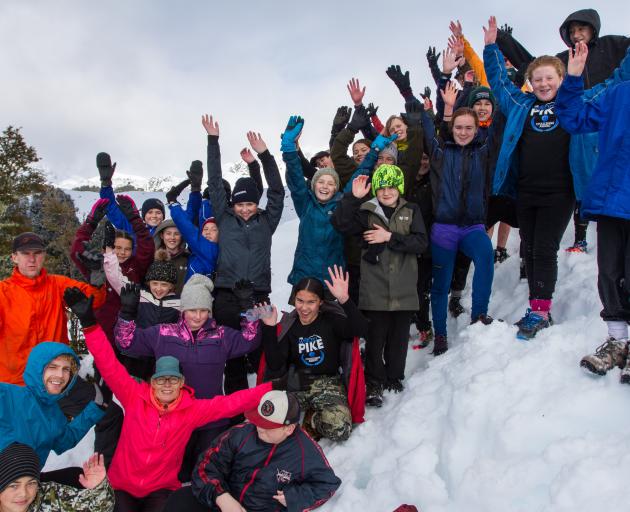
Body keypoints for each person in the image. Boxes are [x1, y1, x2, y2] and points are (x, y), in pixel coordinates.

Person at [63, 287, 289, 512]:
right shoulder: (134, 395)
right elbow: (109, 361)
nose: (167, 385)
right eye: (161, 380)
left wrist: (273, 386)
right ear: (151, 381)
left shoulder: (190, 408)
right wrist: (94, 322)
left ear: (182, 383)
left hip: (162, 487)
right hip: (123, 486)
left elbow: (232, 403)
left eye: (173, 380)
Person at [484, 16, 590, 339]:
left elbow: (583, 95)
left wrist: (573, 77)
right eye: (538, 79)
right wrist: (491, 47)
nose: (544, 84)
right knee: (529, 248)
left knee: (544, 248)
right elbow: (500, 83)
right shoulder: (521, 104)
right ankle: (536, 305)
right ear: (530, 81)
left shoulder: (570, 104)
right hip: (526, 192)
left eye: (549, 78)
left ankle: (541, 312)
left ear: (560, 79)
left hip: (559, 193)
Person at [495, 9, 630, 253]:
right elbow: (532, 65)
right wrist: (505, 41)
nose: (577, 34)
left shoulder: (612, 45)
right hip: (574, 117)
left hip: (602, 113)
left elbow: (625, 71)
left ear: (593, 29)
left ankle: (596, 224)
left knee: (597, 169)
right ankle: (580, 235)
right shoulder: (563, 58)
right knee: (576, 169)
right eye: (573, 31)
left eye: (582, 29)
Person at [114, 273, 265, 479]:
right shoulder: (163, 334)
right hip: (174, 421)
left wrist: (247, 307)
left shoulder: (221, 336)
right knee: (178, 475)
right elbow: (126, 342)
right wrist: (127, 313)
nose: (198, 316)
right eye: (192, 310)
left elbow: (250, 340)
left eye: (204, 310)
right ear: (183, 310)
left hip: (212, 420)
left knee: (207, 473)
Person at [554, 43, 630, 381]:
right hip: (614, 198)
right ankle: (617, 341)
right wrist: (571, 78)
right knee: (610, 271)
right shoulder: (618, 93)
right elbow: (574, 118)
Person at [202, 115, 284, 395]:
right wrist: (213, 140)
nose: (245, 209)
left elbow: (276, 190)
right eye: (240, 205)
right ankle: (234, 414)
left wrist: (265, 156)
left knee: (260, 353)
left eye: (249, 203)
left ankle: (263, 403)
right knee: (232, 358)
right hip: (226, 296)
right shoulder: (225, 219)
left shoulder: (266, 221)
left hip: (259, 294)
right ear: (233, 205)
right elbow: (214, 181)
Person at [332, 167, 427, 406]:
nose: (386, 192)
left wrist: (389, 238)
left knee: (398, 340)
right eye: (382, 187)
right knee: (375, 339)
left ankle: (394, 377)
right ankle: (374, 382)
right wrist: (352, 198)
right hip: (374, 290)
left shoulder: (411, 210)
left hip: (404, 290)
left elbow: (421, 243)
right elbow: (340, 224)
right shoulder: (366, 211)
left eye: (391, 187)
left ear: (399, 188)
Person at [162, 390, 341, 512]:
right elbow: (206, 466)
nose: (259, 429)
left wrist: (294, 497)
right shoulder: (241, 433)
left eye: (268, 426)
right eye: (258, 421)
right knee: (179, 500)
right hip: (226, 504)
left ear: (289, 428)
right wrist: (221, 496)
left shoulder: (305, 451)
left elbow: (327, 484)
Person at [422, 83, 496, 356]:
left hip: (472, 226)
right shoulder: (441, 153)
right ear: (451, 129)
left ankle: (479, 316)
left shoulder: (484, 151)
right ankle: (440, 334)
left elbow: (497, 119)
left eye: (469, 128)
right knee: (440, 285)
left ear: (477, 129)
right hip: (444, 230)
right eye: (458, 127)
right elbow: (429, 129)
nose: (463, 132)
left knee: (485, 256)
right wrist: (448, 108)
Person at [261, 266, 367, 441]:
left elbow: (361, 328)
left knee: (340, 429)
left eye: (311, 302)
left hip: (328, 383)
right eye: (300, 301)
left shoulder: (332, 322)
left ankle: (312, 419)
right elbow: (275, 364)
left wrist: (344, 299)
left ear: (321, 303)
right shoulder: (290, 326)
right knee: (268, 415)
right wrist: (270, 329)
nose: (304, 307)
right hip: (297, 383)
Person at [0, 232, 106, 385]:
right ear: (14, 257)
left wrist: (97, 278)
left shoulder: (57, 285)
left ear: (44, 256)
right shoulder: (3, 292)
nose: (32, 259)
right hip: (15, 384)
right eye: (25, 253)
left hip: (54, 381)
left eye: (37, 253)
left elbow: (93, 301)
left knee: (89, 405)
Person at [0, 342, 105, 480]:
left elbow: (64, 441)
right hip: (6, 487)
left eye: (66, 369)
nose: (60, 375)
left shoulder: (54, 413)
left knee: (77, 477)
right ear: (38, 368)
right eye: (52, 367)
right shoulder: (7, 395)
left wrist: (96, 408)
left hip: (28, 486)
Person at [71, 196, 154, 345]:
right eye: (118, 248)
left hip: (131, 336)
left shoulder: (136, 266)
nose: (122, 252)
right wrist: (91, 223)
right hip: (104, 335)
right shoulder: (98, 266)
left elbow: (147, 246)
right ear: (109, 248)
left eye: (127, 249)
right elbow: (76, 251)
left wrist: (135, 218)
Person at [281, 115, 345, 289]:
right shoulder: (306, 204)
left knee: (331, 317)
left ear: (336, 188)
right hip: (304, 278)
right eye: (321, 182)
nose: (325, 187)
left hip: (332, 282)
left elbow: (359, 172)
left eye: (330, 183)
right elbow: (295, 178)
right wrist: (289, 146)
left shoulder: (343, 205)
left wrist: (376, 148)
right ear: (313, 184)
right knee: (301, 315)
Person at [0, 444, 114, 512]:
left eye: (31, 483)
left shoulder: (50, 497)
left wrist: (98, 488)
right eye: (14, 486)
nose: (23, 494)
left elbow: (97, 508)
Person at [166, 178, 219, 282]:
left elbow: (187, 227)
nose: (208, 232)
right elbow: (190, 219)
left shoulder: (210, 249)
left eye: (214, 230)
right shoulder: (197, 251)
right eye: (205, 229)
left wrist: (173, 203)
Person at [152, 220, 189, 294]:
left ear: (181, 236)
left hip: (182, 303)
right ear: (162, 236)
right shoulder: (153, 259)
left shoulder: (189, 258)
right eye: (168, 234)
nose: (172, 237)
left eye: (176, 234)